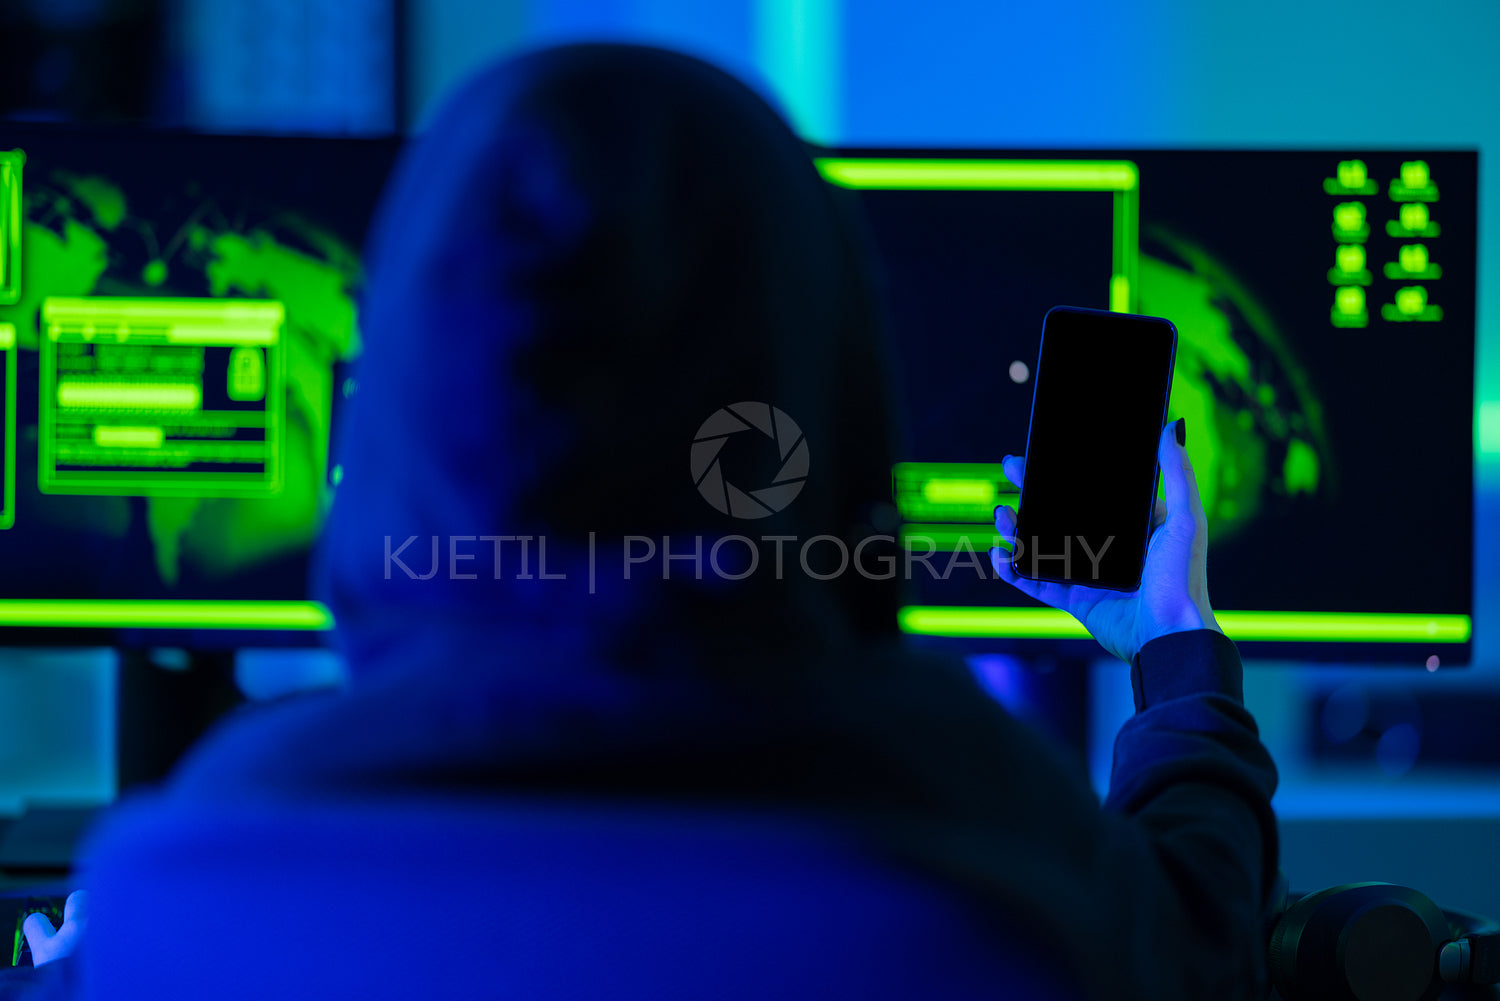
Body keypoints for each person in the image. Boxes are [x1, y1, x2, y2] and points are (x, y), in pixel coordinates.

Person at [9, 43, 1278, 999]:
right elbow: (1203, 940)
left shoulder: (193, 878)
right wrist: (1172, 639)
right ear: (823, 368)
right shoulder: (991, 832)